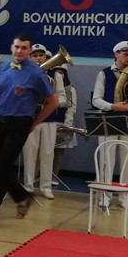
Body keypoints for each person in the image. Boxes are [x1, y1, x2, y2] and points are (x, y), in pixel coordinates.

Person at [0, 33, 57, 229]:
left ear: (29, 51)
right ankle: (22, 196)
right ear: (11, 48)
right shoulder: (4, 68)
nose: (19, 51)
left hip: (20, 124)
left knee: (1, 169)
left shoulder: (36, 74)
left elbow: (53, 102)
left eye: (24, 48)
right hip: (1, 122)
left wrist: (35, 122)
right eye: (17, 47)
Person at [91, 41, 128, 196]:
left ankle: (125, 197)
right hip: (108, 120)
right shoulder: (104, 73)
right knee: (106, 160)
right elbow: (96, 100)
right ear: (116, 54)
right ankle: (104, 195)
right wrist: (113, 106)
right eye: (126, 54)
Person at [21, 44, 65, 200]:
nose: (38, 58)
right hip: (31, 118)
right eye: (35, 55)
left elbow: (63, 97)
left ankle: (46, 186)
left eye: (41, 55)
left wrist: (53, 102)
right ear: (30, 58)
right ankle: (28, 185)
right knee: (29, 152)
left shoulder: (55, 75)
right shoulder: (24, 73)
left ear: (46, 57)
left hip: (49, 119)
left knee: (47, 153)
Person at [52, 58, 78, 186]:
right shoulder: (49, 86)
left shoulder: (70, 89)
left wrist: (67, 124)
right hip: (49, 123)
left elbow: (72, 108)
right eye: (57, 72)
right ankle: (41, 175)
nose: (59, 75)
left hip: (62, 124)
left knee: (59, 152)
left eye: (61, 72)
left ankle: (54, 176)